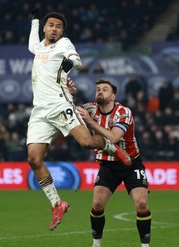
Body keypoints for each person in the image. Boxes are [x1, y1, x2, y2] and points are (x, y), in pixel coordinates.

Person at [27, 10, 131, 231]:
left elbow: (78, 62)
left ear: (62, 31)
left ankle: (111, 146)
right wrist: (35, 21)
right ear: (45, 28)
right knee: (34, 159)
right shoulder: (38, 48)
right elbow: (31, 42)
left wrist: (69, 64)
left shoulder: (64, 43)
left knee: (85, 142)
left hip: (59, 104)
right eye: (51, 25)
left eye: (58, 26)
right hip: (39, 111)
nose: (54, 28)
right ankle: (57, 203)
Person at [75, 79, 151, 247]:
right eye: (98, 90)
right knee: (97, 204)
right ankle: (96, 244)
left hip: (131, 163)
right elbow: (69, 109)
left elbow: (114, 137)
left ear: (113, 96)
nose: (100, 92)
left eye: (105, 90)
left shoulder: (123, 112)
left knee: (141, 203)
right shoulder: (90, 108)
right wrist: (68, 92)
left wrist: (90, 121)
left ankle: (145, 246)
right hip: (107, 164)